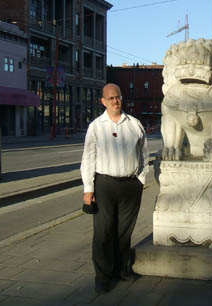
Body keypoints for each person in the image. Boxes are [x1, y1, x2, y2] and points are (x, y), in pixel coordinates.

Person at [80, 83, 149, 294]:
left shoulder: (134, 125)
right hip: (105, 185)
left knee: (124, 232)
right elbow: (88, 158)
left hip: (130, 185)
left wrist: (140, 180)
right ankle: (103, 277)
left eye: (117, 97)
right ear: (103, 101)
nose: (115, 101)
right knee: (103, 233)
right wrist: (88, 189)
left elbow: (144, 155)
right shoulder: (96, 127)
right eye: (110, 98)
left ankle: (122, 270)